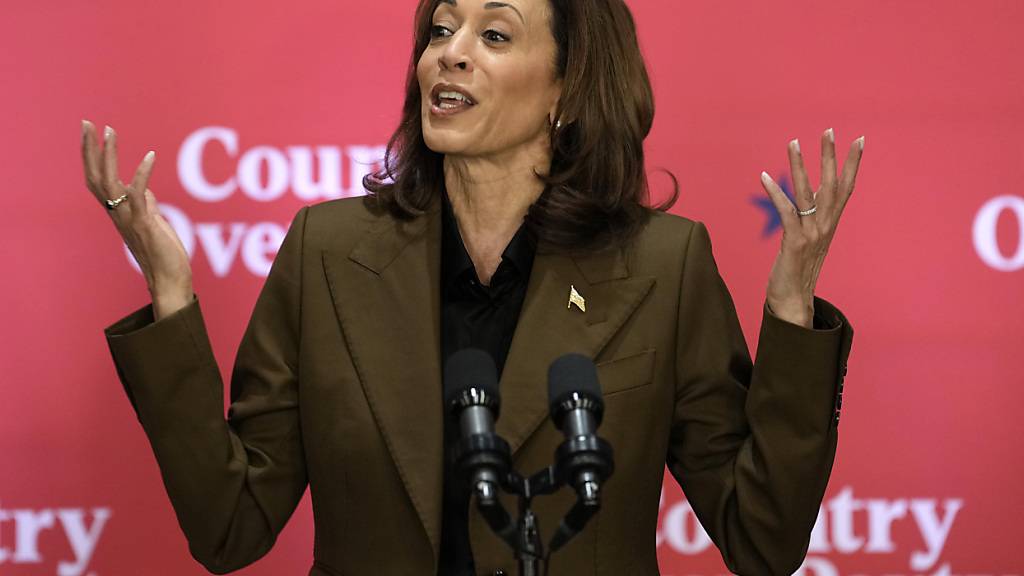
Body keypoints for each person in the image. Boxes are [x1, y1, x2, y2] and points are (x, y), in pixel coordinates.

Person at [80, 0, 863, 574]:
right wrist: (173, 297)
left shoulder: (664, 264)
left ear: (565, 89)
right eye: (441, 30)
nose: (449, 54)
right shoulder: (329, 250)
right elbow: (230, 527)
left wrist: (792, 309)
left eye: (493, 35)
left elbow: (761, 538)